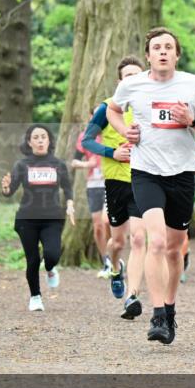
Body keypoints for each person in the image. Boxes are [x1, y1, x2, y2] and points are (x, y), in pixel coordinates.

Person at [107, 27, 195, 345]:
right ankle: (157, 315)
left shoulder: (194, 85)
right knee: (155, 242)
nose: (162, 52)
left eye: (168, 47)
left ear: (176, 54)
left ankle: (169, 309)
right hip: (146, 172)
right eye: (156, 47)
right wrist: (124, 132)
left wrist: (192, 121)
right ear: (148, 55)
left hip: (182, 174)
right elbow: (112, 110)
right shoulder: (132, 85)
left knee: (174, 249)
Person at [82, 56, 150, 319]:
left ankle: (132, 296)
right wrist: (112, 152)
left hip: (143, 179)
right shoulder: (108, 108)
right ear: (119, 81)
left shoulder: (150, 105)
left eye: (137, 74)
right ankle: (114, 268)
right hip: (115, 182)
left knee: (139, 238)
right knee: (118, 241)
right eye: (127, 75)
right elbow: (87, 141)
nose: (132, 79)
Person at [1, 124, 76, 311]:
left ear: (49, 140)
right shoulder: (22, 165)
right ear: (29, 142)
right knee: (32, 260)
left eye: (43, 136)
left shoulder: (58, 164)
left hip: (52, 218)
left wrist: (70, 205)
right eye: (36, 137)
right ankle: (35, 297)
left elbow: (67, 188)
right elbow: (10, 191)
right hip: (27, 219)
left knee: (52, 255)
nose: (40, 140)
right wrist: (5, 188)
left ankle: (50, 268)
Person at [71, 116, 110, 277]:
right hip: (93, 184)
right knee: (98, 226)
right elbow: (74, 162)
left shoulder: (112, 133)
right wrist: (88, 164)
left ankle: (115, 257)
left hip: (111, 182)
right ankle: (106, 261)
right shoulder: (85, 137)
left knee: (106, 221)